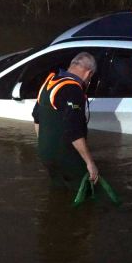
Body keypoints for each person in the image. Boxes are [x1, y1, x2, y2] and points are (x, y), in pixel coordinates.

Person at [32, 52, 99, 189]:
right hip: (66, 157)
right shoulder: (73, 90)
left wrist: (44, 146)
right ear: (89, 74)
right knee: (85, 193)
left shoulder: (49, 83)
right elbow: (74, 131)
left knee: (58, 192)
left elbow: (36, 118)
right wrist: (90, 163)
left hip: (46, 154)